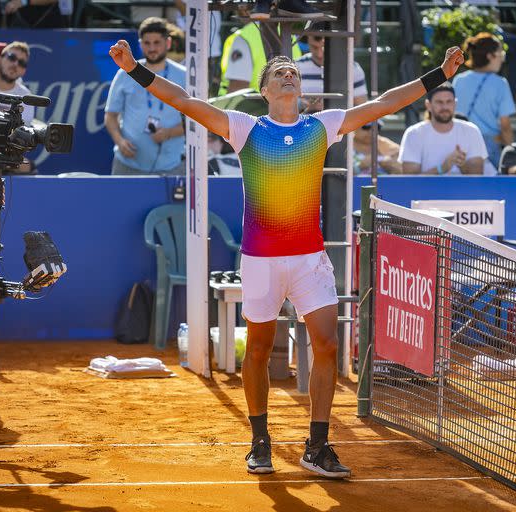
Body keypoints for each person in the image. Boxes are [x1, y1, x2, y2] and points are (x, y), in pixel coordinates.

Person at [109, 37, 464, 478]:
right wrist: (132, 70)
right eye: (279, 71)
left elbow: (384, 104)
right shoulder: (243, 127)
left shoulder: (324, 124)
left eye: (292, 71)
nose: (288, 73)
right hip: (261, 260)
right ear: (264, 89)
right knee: (256, 350)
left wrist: (439, 76)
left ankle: (317, 444)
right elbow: (181, 100)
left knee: (328, 346)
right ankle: (260, 441)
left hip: (310, 260)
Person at [105, 17, 186, 176]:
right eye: (147, 43)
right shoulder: (125, 73)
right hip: (127, 164)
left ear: (168, 43)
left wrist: (169, 133)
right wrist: (119, 141)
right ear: (140, 44)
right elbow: (110, 115)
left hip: (171, 166)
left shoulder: (184, 75)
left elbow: (198, 120)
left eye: (157, 42)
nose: (152, 48)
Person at [452, 32, 515, 168]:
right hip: (489, 146)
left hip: (461, 143)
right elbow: (505, 126)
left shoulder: (459, 80)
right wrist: (510, 152)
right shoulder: (500, 84)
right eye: (500, 54)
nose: (502, 59)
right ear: (489, 56)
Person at [398, 83, 488, 175]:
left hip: (462, 189)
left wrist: (462, 164)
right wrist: (442, 168)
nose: (445, 107)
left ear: (455, 103)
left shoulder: (471, 130)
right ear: (428, 105)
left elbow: (477, 178)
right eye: (439, 102)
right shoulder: (414, 133)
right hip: (427, 189)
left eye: (449, 101)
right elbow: (410, 181)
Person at [295, 24, 368, 113]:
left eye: (325, 48)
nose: (319, 54)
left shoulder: (353, 68)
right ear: (308, 41)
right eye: (314, 47)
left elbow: (362, 110)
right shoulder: (296, 67)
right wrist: (303, 105)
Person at [218, 21, 302, 95]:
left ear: (243, 10)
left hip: (253, 108)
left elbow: (237, 88)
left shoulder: (244, 36)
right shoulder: (289, 36)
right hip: (284, 105)